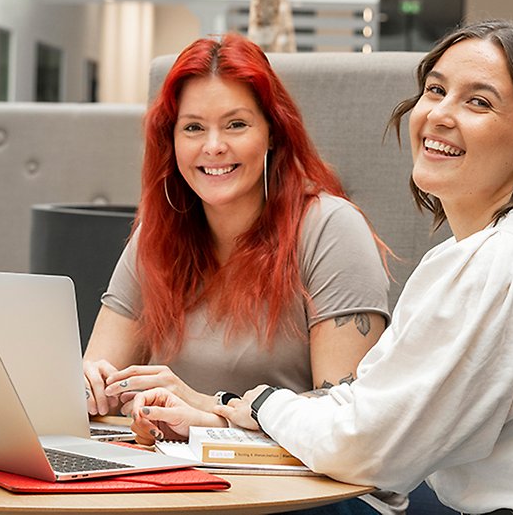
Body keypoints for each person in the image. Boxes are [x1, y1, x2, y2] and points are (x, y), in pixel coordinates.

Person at [130, 20, 513, 514]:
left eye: (478, 102)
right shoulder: (484, 250)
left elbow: (370, 447)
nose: (440, 114)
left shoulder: (510, 259)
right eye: (436, 90)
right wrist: (224, 412)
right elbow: (364, 409)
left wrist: (255, 405)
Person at [82, 33, 404, 515]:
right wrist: (100, 390)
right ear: (170, 141)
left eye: (236, 124)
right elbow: (102, 384)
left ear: (272, 132)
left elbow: (347, 421)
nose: (213, 147)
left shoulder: (330, 227)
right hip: (193, 487)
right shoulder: (157, 235)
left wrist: (205, 411)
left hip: (318, 495)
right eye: (193, 128)